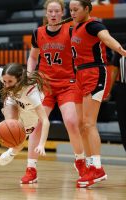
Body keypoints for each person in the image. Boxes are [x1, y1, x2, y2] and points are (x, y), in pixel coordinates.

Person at [26, 0, 86, 182]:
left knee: (71, 122)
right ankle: (31, 168)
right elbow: (33, 57)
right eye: (50, 11)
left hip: (67, 84)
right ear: (46, 13)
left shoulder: (70, 31)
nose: (53, 14)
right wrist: (29, 76)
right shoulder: (38, 33)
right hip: (45, 86)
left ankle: (81, 161)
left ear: (62, 13)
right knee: (36, 125)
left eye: (57, 11)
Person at [69, 0, 126, 188]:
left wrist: (120, 49)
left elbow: (106, 37)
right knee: (79, 124)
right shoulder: (74, 27)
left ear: (87, 9)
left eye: (76, 9)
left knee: (88, 123)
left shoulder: (94, 25)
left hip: (95, 72)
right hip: (79, 74)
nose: (73, 12)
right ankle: (89, 165)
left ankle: (97, 169)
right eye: (70, 10)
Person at [0, 60, 50, 183]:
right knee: (10, 125)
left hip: (30, 112)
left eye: (10, 82)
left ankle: (12, 152)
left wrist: (41, 144)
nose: (5, 84)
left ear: (20, 79)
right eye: (4, 81)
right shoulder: (6, 77)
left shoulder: (32, 92)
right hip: (14, 100)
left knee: (18, 140)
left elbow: (45, 121)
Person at [111, 43, 126, 152]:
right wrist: (108, 91)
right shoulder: (121, 48)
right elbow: (114, 71)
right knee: (123, 122)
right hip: (122, 89)